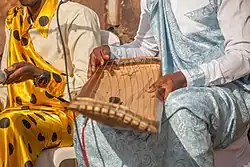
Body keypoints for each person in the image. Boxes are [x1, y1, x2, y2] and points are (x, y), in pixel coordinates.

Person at [74, 0, 250, 166]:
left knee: (181, 105)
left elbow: (243, 54)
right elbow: (146, 48)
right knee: (91, 117)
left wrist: (186, 78)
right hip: (168, 88)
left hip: (226, 90)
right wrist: (110, 53)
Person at [0, 0, 100, 166]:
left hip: (66, 115)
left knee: (9, 124)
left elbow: (88, 88)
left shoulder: (77, 16)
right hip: (18, 111)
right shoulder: (16, 19)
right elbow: (6, 87)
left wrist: (42, 76)